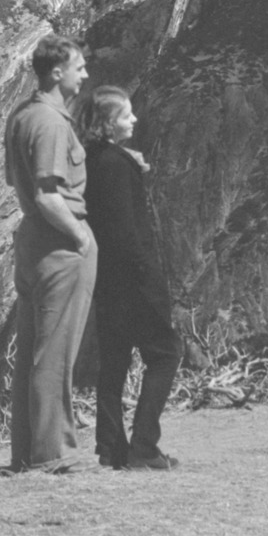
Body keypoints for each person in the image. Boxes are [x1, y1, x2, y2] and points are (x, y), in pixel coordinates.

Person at [3, 34, 97, 473]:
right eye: (79, 67)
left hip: (31, 244)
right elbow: (47, 193)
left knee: (31, 351)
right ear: (57, 72)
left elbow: (17, 185)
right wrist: (80, 236)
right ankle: (52, 454)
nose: (86, 75)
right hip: (59, 244)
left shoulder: (21, 116)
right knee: (56, 350)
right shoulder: (53, 123)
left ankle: (26, 450)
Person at [77, 84, 181, 472]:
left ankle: (110, 446)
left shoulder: (93, 159)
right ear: (108, 123)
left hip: (106, 279)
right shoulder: (117, 164)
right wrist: (148, 276)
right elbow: (126, 231)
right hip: (132, 280)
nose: (134, 119)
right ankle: (144, 445)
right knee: (166, 353)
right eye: (126, 115)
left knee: (115, 360)